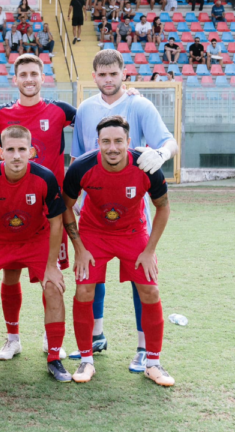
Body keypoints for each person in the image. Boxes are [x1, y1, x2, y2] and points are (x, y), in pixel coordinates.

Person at [70, 49, 179, 372]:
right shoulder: (85, 108)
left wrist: (159, 155)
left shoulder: (139, 104)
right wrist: (76, 200)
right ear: (94, 77)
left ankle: (144, 348)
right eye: (102, 75)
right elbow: (78, 157)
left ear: (123, 74)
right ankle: (96, 335)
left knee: (140, 279)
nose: (107, 80)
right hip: (93, 205)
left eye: (113, 74)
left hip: (132, 207)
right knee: (91, 276)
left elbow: (169, 142)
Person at [63, 115, 173, 387]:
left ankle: (153, 363)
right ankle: (86, 359)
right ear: (98, 142)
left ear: (129, 142)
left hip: (132, 233)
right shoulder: (82, 168)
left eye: (118, 141)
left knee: (150, 290)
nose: (112, 147)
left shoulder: (146, 166)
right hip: (93, 234)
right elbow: (65, 207)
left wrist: (149, 251)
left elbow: (163, 207)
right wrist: (79, 248)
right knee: (84, 289)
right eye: (106, 141)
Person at [0, 54, 76, 360]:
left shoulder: (60, 111)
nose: (29, 79)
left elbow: (94, 118)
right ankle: (12, 338)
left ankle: (53, 341)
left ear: (43, 77)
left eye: (34, 73)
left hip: (50, 213)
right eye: (23, 74)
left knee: (52, 279)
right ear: (15, 79)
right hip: (10, 209)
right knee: (10, 276)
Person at [0, 125, 69, 381]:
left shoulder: (45, 177)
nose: (17, 155)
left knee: (53, 286)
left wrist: (52, 265)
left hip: (35, 238)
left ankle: (54, 357)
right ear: (0, 152)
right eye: (10, 149)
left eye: (22, 149)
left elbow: (56, 222)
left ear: (31, 151)